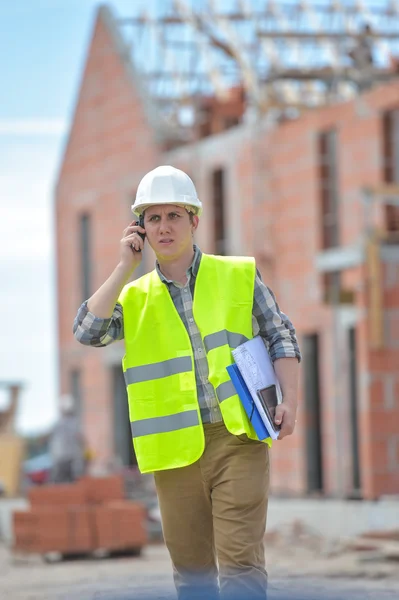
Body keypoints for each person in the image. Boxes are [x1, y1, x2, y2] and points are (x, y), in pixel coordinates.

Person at [73, 165, 301, 600]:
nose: (164, 227)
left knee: (240, 565)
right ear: (140, 228)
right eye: (153, 218)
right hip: (174, 453)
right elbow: (87, 331)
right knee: (193, 576)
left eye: (174, 216)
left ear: (194, 220)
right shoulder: (133, 296)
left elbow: (280, 334)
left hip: (238, 438)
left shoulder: (237, 275)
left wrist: (290, 399)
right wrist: (124, 266)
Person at [49, 394, 86, 483]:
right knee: (70, 481)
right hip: (68, 457)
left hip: (63, 457)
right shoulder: (73, 422)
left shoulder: (59, 423)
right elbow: (80, 438)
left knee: (62, 481)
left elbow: (79, 437)